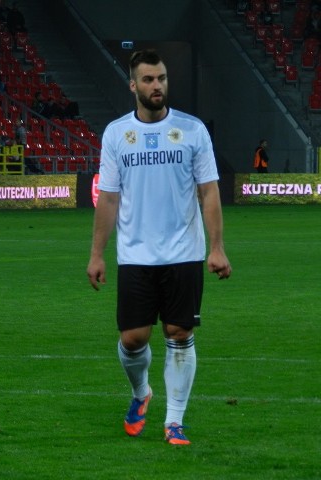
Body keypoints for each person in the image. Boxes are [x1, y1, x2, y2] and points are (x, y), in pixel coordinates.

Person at [86, 49, 232, 446]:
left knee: (179, 332)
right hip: (134, 254)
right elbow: (110, 199)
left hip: (184, 251)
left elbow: (209, 192)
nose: (157, 86)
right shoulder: (117, 134)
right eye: (149, 80)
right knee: (133, 339)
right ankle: (141, 393)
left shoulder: (192, 130)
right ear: (133, 85)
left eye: (162, 78)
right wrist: (97, 254)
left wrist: (216, 247)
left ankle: (174, 421)